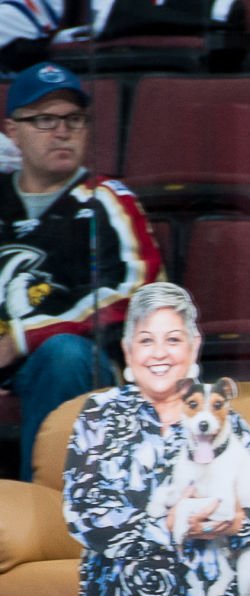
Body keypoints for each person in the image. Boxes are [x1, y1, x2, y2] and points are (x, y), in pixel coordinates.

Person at [62, 282, 250, 596]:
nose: (159, 353)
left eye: (173, 340)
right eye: (146, 340)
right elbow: (82, 515)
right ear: (128, 350)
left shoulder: (220, 418)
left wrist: (236, 523)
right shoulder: (100, 414)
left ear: (194, 347)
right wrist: (168, 525)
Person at [0, 61, 163, 479]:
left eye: (74, 119)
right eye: (44, 120)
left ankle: (50, 513)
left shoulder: (106, 199)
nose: (62, 131)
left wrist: (24, 338)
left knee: (63, 356)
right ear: (12, 130)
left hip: (77, 357)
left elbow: (137, 293)